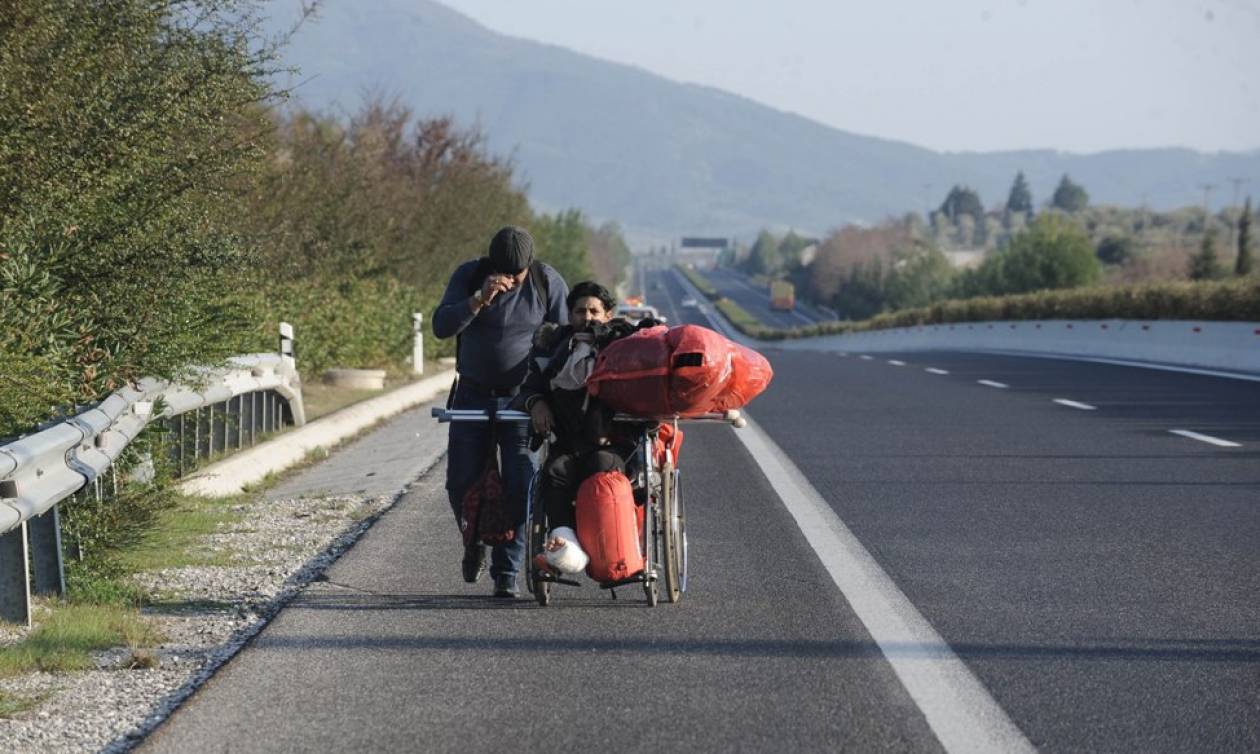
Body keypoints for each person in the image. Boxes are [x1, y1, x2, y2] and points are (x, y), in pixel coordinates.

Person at [432, 225, 568, 597]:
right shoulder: (470, 276)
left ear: (529, 265)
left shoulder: (546, 281)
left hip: (522, 398)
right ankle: (474, 538)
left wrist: (546, 397)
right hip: (473, 393)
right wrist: (478, 300)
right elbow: (441, 326)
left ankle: (505, 572)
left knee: (520, 484)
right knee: (460, 481)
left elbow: (565, 340)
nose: (510, 280)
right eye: (503, 272)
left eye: (516, 274)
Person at [514, 281, 656, 571]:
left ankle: (608, 549)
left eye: (594, 311)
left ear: (608, 314)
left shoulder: (626, 346)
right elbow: (528, 388)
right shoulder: (550, 346)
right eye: (580, 311)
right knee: (555, 471)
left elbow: (648, 393)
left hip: (614, 446)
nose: (587, 317)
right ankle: (567, 545)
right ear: (569, 315)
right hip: (567, 443)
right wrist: (536, 403)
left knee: (601, 468)